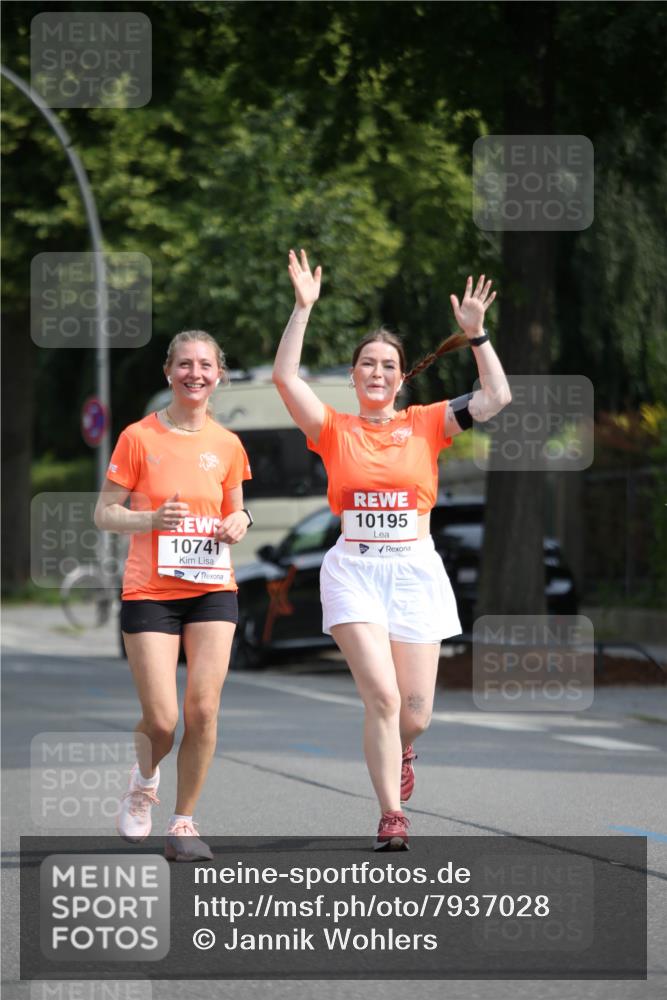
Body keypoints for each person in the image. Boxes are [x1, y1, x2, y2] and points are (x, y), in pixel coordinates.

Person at [273, 249, 511, 850]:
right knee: (379, 696)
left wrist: (477, 335)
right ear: (353, 377)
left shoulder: (428, 422)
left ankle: (404, 749)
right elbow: (284, 378)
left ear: (402, 377)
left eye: (388, 365)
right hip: (354, 570)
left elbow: (496, 399)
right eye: (367, 364)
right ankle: (390, 815)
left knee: (416, 712)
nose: (377, 373)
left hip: (413, 570)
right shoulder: (331, 428)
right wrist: (303, 309)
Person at [94, 330, 252, 861]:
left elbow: (238, 509)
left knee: (203, 710)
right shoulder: (139, 437)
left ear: (219, 375)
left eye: (206, 365)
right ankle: (143, 783)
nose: (195, 373)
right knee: (162, 719)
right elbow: (105, 513)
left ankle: (183, 822)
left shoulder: (228, 444)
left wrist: (240, 522)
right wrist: (151, 518)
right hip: (150, 592)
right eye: (184, 364)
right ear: (168, 372)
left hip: (212, 589)